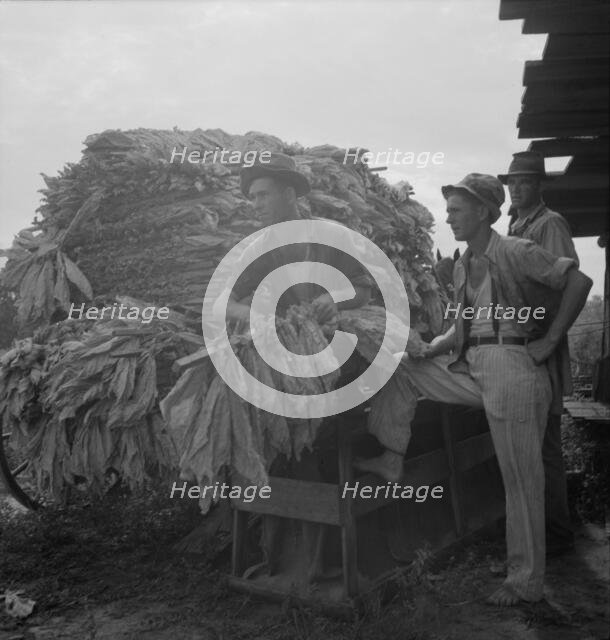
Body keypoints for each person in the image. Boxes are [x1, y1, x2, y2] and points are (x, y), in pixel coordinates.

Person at [358, 173, 592, 605]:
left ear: (484, 211)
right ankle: (392, 456)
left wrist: (551, 339)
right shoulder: (466, 263)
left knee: (520, 480)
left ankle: (526, 583)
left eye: (456, 210)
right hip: (475, 363)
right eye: (448, 211)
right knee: (402, 369)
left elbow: (578, 282)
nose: (449, 219)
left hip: (514, 367)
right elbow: (463, 323)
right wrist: (431, 347)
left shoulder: (516, 251)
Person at [499, 151, 578, 557]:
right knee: (533, 442)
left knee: (544, 445)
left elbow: (570, 283)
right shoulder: (516, 224)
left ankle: (556, 535)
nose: (516, 188)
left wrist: (549, 338)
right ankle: (544, 532)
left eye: (524, 181)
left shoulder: (550, 224)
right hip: (524, 348)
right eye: (511, 182)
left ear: (539, 185)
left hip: (541, 346)